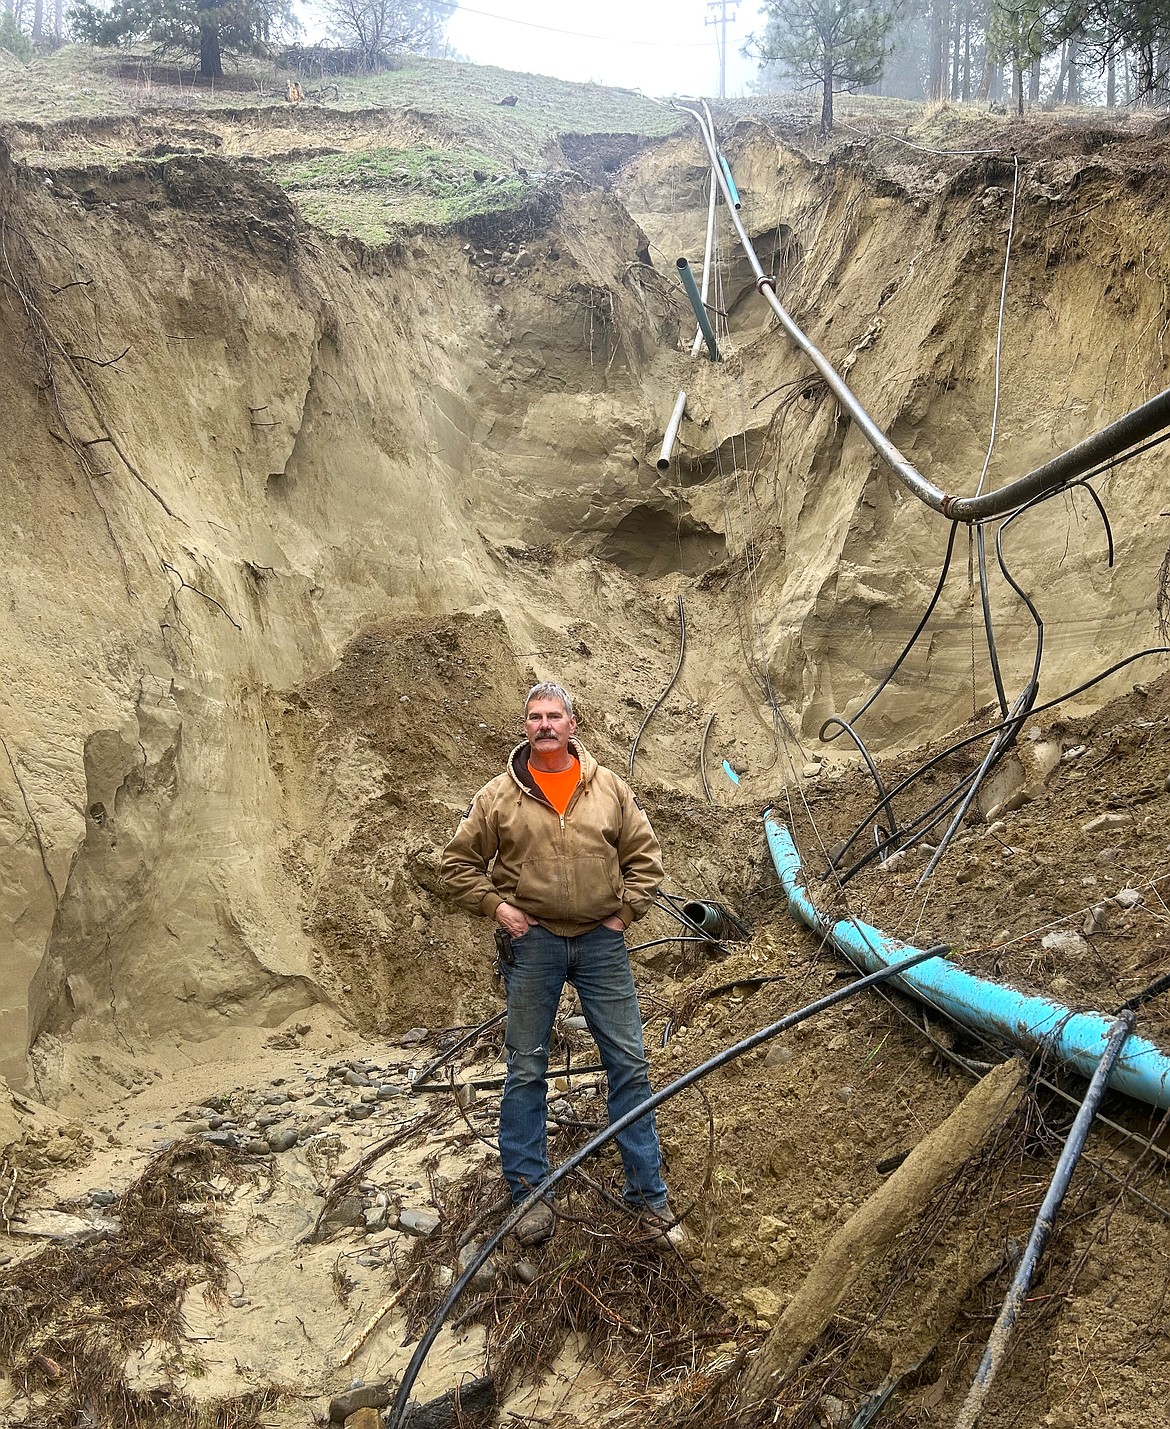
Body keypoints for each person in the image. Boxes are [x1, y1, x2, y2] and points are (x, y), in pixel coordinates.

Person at [440, 681, 682, 1248]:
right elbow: (457, 864)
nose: (544, 725)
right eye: (534, 717)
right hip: (535, 945)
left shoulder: (609, 790)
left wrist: (625, 915)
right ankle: (529, 1191)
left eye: (554, 716)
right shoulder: (498, 796)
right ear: (524, 728)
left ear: (573, 725)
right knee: (526, 1066)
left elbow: (645, 857)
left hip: (602, 944)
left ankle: (648, 1196)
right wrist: (499, 908)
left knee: (629, 1063)